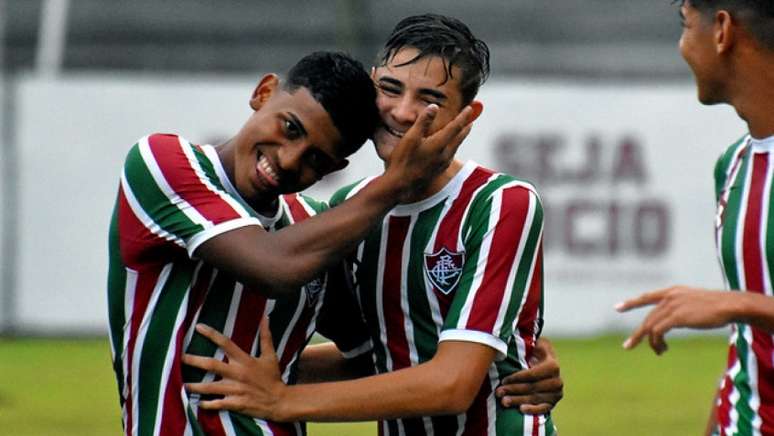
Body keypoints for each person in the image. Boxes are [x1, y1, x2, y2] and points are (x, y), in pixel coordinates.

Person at [184, 14, 560, 435]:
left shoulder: (500, 203)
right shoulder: (350, 210)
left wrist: (282, 400)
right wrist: (213, 366)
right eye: (391, 89)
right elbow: (371, 357)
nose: (402, 112)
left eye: (429, 100)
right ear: (371, 85)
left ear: (466, 117)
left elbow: (452, 385)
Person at [107, 51, 475, 435]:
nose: (287, 159)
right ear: (264, 92)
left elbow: (376, 357)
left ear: (333, 170)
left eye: (315, 158)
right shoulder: (162, 164)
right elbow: (272, 268)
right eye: (290, 128)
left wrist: (523, 369)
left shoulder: (313, 228)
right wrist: (396, 184)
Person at [616, 1, 774, 434]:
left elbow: (747, 311)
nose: (682, 46)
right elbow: (750, 349)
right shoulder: (735, 164)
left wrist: (738, 304)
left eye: (686, 26)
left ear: (722, 29)